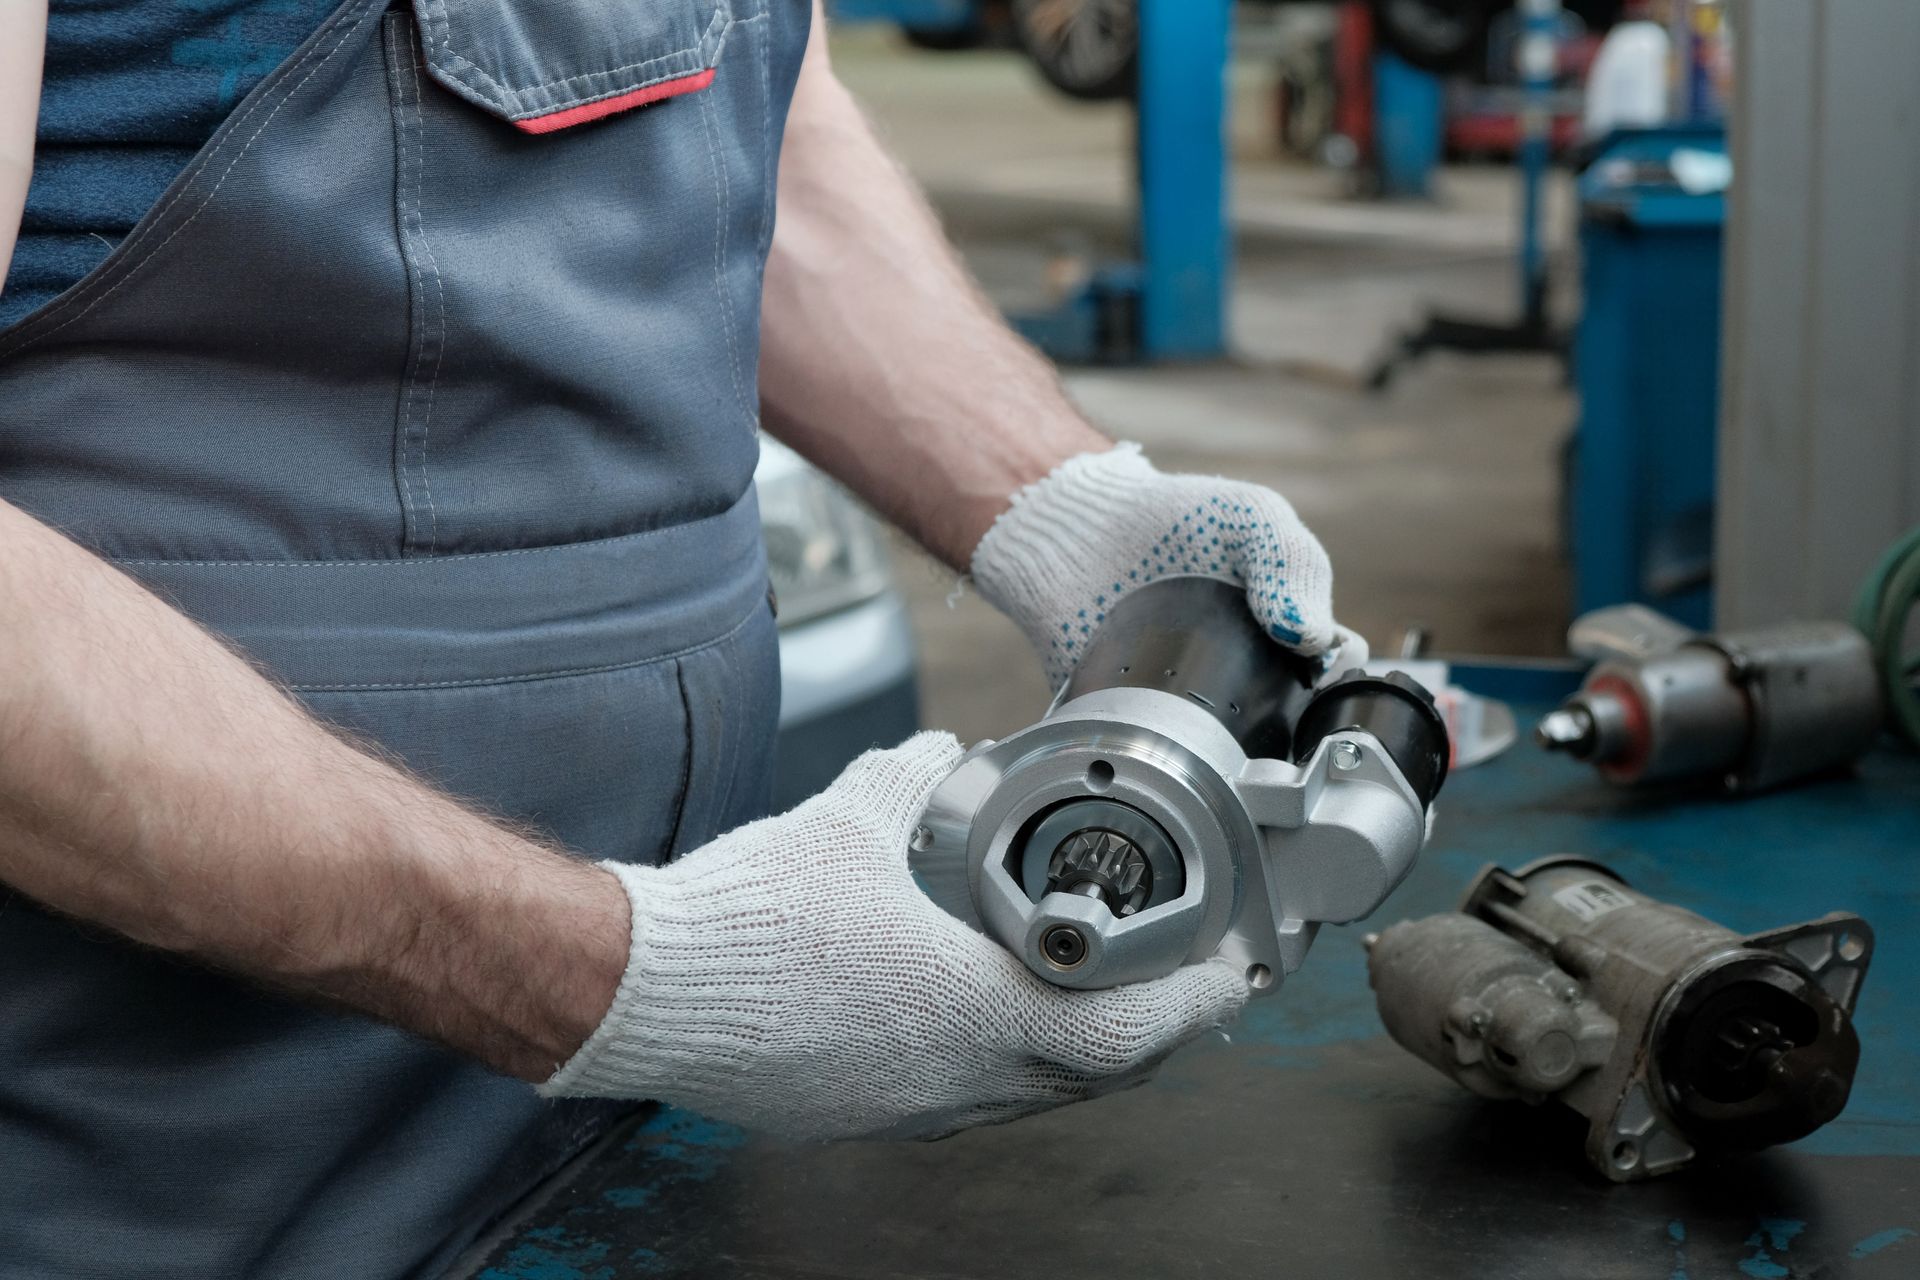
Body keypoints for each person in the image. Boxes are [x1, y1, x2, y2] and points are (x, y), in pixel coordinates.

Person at [0, 1, 1348, 1275]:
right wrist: (629, 980)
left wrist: (1071, 510)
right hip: (173, 1139)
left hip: (638, 1104)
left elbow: (748, 127)